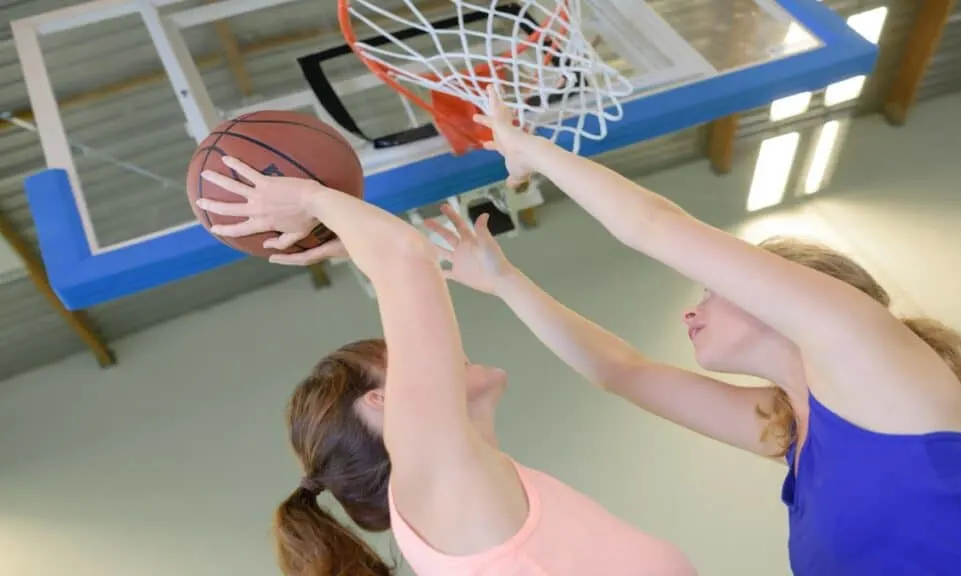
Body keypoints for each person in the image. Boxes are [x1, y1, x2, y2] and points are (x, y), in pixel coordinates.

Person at [414, 86, 961, 576]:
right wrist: (505, 281)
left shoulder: (868, 353)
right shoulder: (792, 430)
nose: (690, 311)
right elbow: (623, 371)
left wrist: (529, 149)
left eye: (710, 290)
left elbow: (654, 226)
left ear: (780, 291)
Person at [195, 157, 697, 576]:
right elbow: (406, 258)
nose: (433, 352)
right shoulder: (429, 483)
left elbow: (619, 370)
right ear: (384, 402)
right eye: (400, 354)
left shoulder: (468, 493)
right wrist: (307, 199)